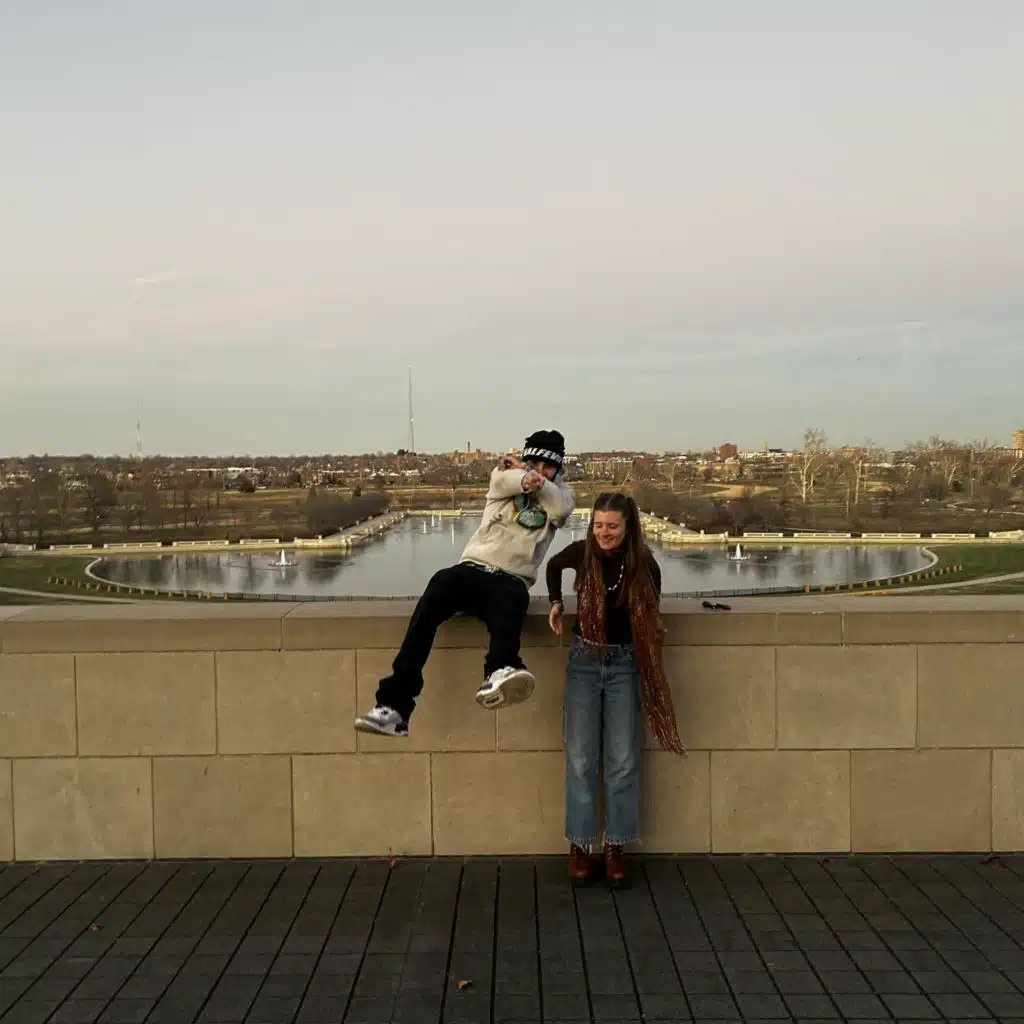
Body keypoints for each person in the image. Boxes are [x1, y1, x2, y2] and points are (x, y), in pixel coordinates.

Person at [355, 429, 575, 738]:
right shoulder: (503, 478)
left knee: (510, 604)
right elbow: (506, 481)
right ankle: (394, 706)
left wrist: (535, 480)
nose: (540, 471)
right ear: (525, 461)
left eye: (548, 466)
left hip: (511, 578)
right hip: (471, 570)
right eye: (534, 463)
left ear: (558, 468)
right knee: (437, 590)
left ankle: (500, 668)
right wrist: (524, 478)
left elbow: (560, 509)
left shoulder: (563, 495)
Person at [546, 491, 685, 888]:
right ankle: (580, 846)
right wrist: (556, 603)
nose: (603, 533)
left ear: (627, 527)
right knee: (580, 758)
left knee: (622, 760)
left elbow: (652, 606)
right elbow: (553, 566)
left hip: (625, 663)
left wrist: (649, 623)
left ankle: (615, 846)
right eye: (598, 525)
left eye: (612, 526)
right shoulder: (581, 553)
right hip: (584, 661)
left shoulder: (643, 563)